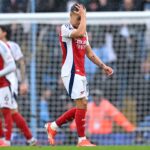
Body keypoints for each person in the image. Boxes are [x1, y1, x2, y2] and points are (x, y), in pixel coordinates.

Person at [45, 3, 113, 146]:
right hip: (70, 71)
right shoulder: (65, 28)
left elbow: (89, 53)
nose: (80, 21)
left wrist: (103, 66)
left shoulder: (83, 31)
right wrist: (84, 17)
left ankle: (53, 126)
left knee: (82, 106)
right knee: (82, 103)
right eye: (78, 18)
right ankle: (82, 140)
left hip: (81, 72)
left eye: (81, 18)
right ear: (70, 15)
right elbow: (79, 33)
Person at [0, 25, 37, 146]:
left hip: (10, 81)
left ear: (4, 33)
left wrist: (23, 82)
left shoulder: (12, 46)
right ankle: (30, 139)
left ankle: (7, 140)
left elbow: (21, 63)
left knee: (11, 110)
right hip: (4, 81)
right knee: (12, 112)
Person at [0, 40, 16, 146]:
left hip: (3, 86)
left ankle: (7, 141)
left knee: (6, 112)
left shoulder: (1, 45)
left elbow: (12, 66)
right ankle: (1, 139)